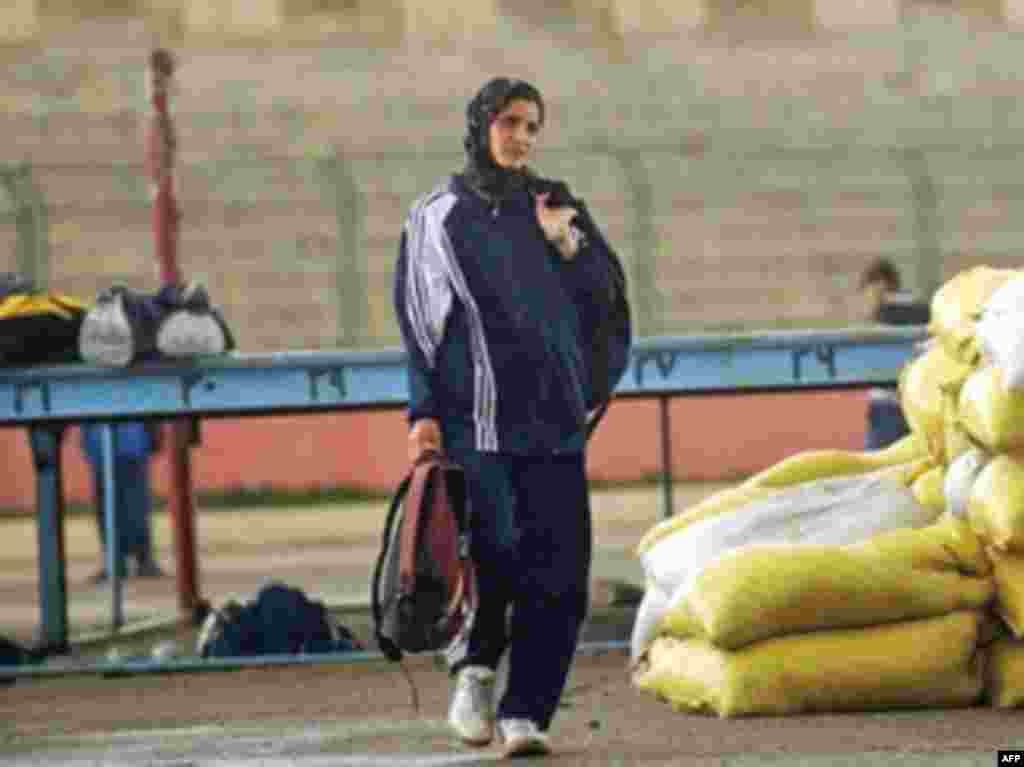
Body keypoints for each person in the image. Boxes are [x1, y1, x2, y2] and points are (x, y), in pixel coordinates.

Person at [393, 77, 631, 758]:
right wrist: (423, 413)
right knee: (496, 557)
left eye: (532, 126)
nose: (522, 138)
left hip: (555, 425)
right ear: (480, 126)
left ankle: (527, 709)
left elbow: (607, 297)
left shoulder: (556, 204)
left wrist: (567, 246)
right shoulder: (439, 218)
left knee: (561, 573)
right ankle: (473, 671)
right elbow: (420, 328)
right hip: (480, 427)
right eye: (509, 123)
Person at [857, 258, 931, 450]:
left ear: (879, 284)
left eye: (866, 292)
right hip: (920, 402)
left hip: (888, 405)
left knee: (877, 465)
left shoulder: (885, 311)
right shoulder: (922, 307)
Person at [80, 421, 165, 582]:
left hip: (112, 443)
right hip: (125, 443)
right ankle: (141, 561)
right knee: (134, 505)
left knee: (115, 507)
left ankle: (123, 562)